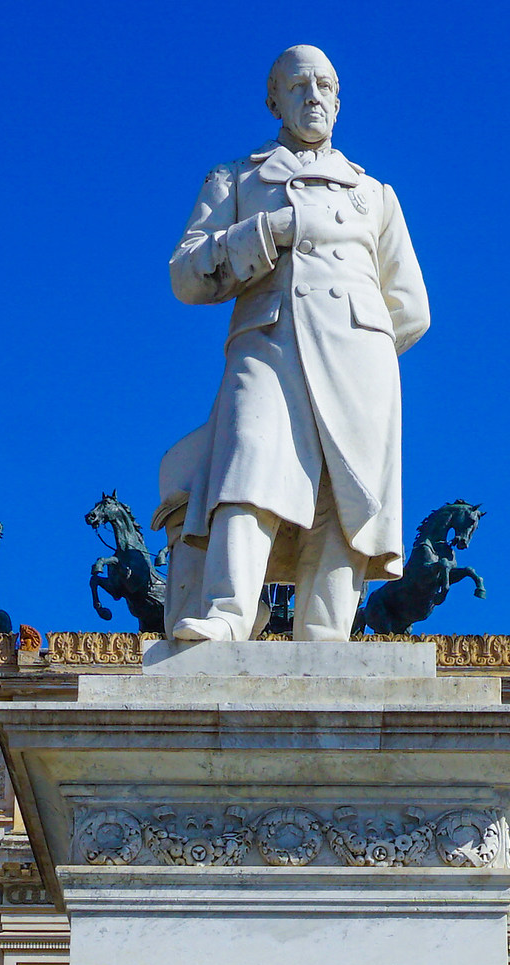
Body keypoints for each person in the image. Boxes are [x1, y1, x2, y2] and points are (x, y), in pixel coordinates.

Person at [153, 45, 430, 641]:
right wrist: (264, 233)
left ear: (339, 100)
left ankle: (325, 634)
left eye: (325, 86)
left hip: (359, 358)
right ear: (273, 98)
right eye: (299, 85)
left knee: (343, 488)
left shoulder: (374, 194)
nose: (313, 96)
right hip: (268, 343)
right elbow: (185, 273)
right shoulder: (238, 177)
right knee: (247, 463)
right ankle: (228, 613)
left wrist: (367, 348)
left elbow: (410, 306)